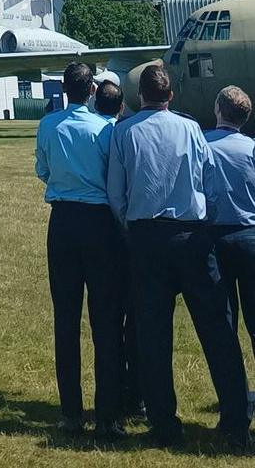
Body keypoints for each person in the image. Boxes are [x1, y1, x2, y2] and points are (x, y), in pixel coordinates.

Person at [107, 62, 250, 450]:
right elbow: (205, 175)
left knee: (153, 334)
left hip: (146, 236)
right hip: (191, 235)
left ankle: (163, 420)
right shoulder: (190, 128)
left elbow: (116, 192)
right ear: (171, 96)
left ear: (141, 97)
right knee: (218, 330)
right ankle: (236, 417)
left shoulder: (124, 132)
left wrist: (131, 225)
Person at [34, 60, 125, 437]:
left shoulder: (48, 125)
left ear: (63, 89)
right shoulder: (105, 130)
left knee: (65, 319)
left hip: (63, 222)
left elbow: (42, 170)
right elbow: (114, 176)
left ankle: (71, 411)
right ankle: (108, 414)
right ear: (91, 91)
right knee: (105, 319)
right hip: (99, 222)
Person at [94, 78, 141, 416]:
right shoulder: (127, 132)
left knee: (108, 320)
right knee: (138, 319)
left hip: (105, 231)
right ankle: (137, 396)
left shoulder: (107, 134)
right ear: (122, 105)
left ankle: (113, 395)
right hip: (135, 234)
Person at [204, 86, 255, 363]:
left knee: (224, 321)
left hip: (214, 237)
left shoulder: (202, 144)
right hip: (249, 235)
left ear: (218, 110)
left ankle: (233, 392)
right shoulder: (251, 148)